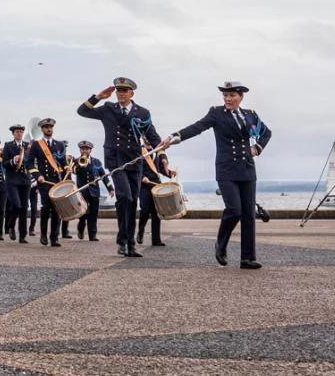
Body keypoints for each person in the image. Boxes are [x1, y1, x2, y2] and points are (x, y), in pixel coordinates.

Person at [168, 81, 272, 269]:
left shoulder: (250, 115)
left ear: (240, 97)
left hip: (247, 169)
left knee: (249, 214)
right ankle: (221, 244)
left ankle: (247, 258)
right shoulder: (216, 113)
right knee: (234, 210)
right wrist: (176, 136)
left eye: (232, 95)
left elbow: (266, 133)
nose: (228, 99)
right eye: (225, 95)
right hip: (226, 169)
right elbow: (197, 127)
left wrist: (257, 147)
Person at [77, 76, 163, 257]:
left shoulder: (142, 113)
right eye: (118, 91)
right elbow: (82, 111)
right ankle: (122, 241)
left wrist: (162, 154)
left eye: (124, 91)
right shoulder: (108, 108)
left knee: (132, 202)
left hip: (135, 161)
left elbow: (153, 136)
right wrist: (98, 97)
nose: (121, 94)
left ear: (132, 93)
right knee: (124, 197)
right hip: (115, 161)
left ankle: (130, 244)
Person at [29, 118, 69, 247]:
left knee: (57, 209)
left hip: (57, 181)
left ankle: (54, 238)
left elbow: (63, 162)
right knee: (46, 207)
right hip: (44, 181)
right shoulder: (37, 144)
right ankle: (43, 235)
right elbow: (29, 163)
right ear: (42, 129)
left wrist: (67, 168)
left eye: (50, 127)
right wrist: (38, 175)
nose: (49, 129)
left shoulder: (60, 145)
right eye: (46, 127)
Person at [71, 141, 112, 243]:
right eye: (83, 149)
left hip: (94, 191)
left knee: (93, 214)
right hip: (82, 191)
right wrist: (82, 165)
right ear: (80, 150)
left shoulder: (97, 162)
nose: (85, 151)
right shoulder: (76, 161)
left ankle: (92, 235)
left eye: (87, 149)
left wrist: (110, 189)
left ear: (90, 150)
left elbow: (103, 176)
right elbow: (74, 171)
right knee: (83, 213)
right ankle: (81, 228)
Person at [137, 148, 177, 247]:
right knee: (145, 210)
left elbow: (160, 169)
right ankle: (141, 231)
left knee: (156, 212)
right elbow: (136, 168)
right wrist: (142, 177)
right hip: (144, 185)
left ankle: (156, 240)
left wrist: (170, 173)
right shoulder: (140, 151)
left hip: (156, 185)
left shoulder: (156, 152)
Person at [2, 124, 31, 244]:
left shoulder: (28, 146)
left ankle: (22, 235)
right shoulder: (8, 145)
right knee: (17, 205)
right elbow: (4, 163)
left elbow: (31, 161)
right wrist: (13, 161)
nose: (19, 133)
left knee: (24, 208)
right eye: (17, 132)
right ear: (13, 134)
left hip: (25, 180)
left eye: (20, 131)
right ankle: (11, 225)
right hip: (12, 180)